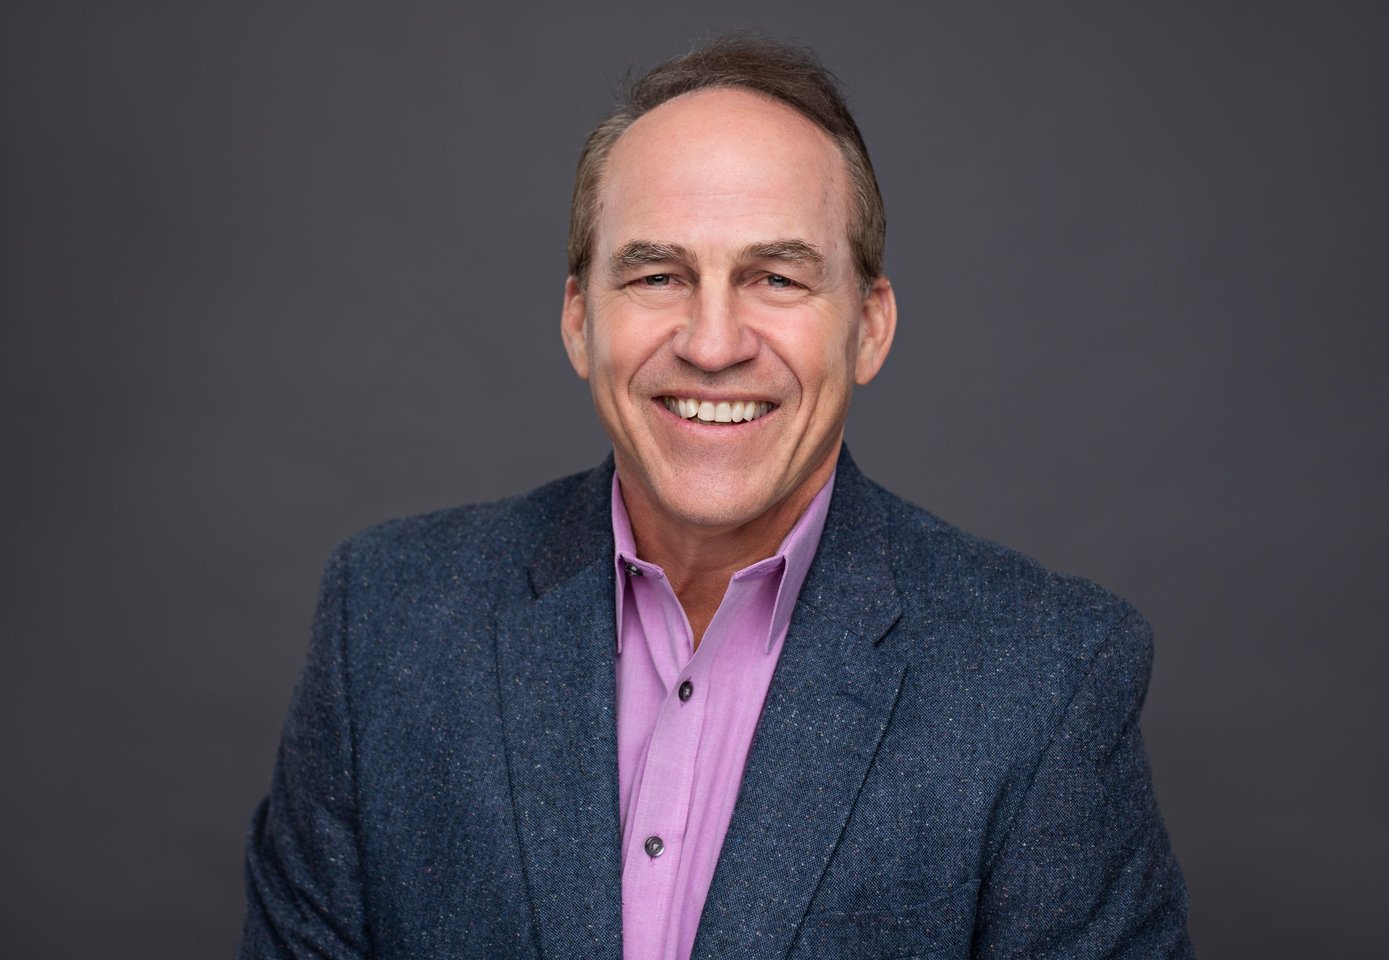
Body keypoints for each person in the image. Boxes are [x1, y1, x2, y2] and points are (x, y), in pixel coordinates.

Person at [240, 35, 1193, 960]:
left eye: (775, 277)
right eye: (657, 275)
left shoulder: (1045, 679)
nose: (711, 341)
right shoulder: (388, 624)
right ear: (579, 320)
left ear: (868, 327)